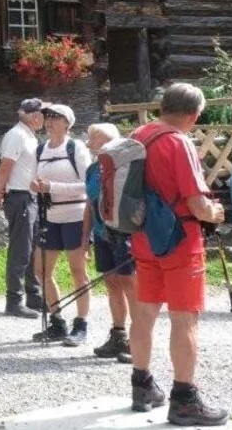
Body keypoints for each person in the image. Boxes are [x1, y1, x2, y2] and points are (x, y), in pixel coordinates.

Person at [126, 83, 228, 426]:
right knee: (185, 318)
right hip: (180, 241)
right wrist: (215, 212)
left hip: (143, 238)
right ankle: (184, 400)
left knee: (144, 313)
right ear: (194, 114)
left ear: (163, 106)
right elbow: (198, 205)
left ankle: (142, 386)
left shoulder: (138, 135)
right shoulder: (178, 142)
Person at [28, 104, 92, 346]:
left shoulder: (77, 148)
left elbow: (87, 185)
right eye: (47, 116)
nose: (49, 120)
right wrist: (35, 186)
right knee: (41, 270)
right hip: (50, 216)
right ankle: (57, 322)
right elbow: (36, 180)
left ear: (67, 122)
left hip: (76, 216)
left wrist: (52, 187)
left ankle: (81, 324)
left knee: (78, 271)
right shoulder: (40, 149)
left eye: (55, 116)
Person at [82, 123, 136, 363]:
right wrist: (85, 239)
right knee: (112, 283)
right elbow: (89, 205)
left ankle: (137, 339)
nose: (88, 142)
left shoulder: (125, 166)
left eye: (93, 138)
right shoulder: (92, 169)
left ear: (108, 141)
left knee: (130, 285)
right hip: (102, 234)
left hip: (123, 234)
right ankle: (118, 334)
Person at [0, 98, 45, 319]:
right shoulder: (17, 135)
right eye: (43, 114)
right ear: (34, 116)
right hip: (20, 197)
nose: (45, 118)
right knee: (21, 250)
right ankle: (14, 300)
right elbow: (5, 167)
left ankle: (34, 296)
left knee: (33, 249)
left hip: (29, 197)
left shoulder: (28, 135)